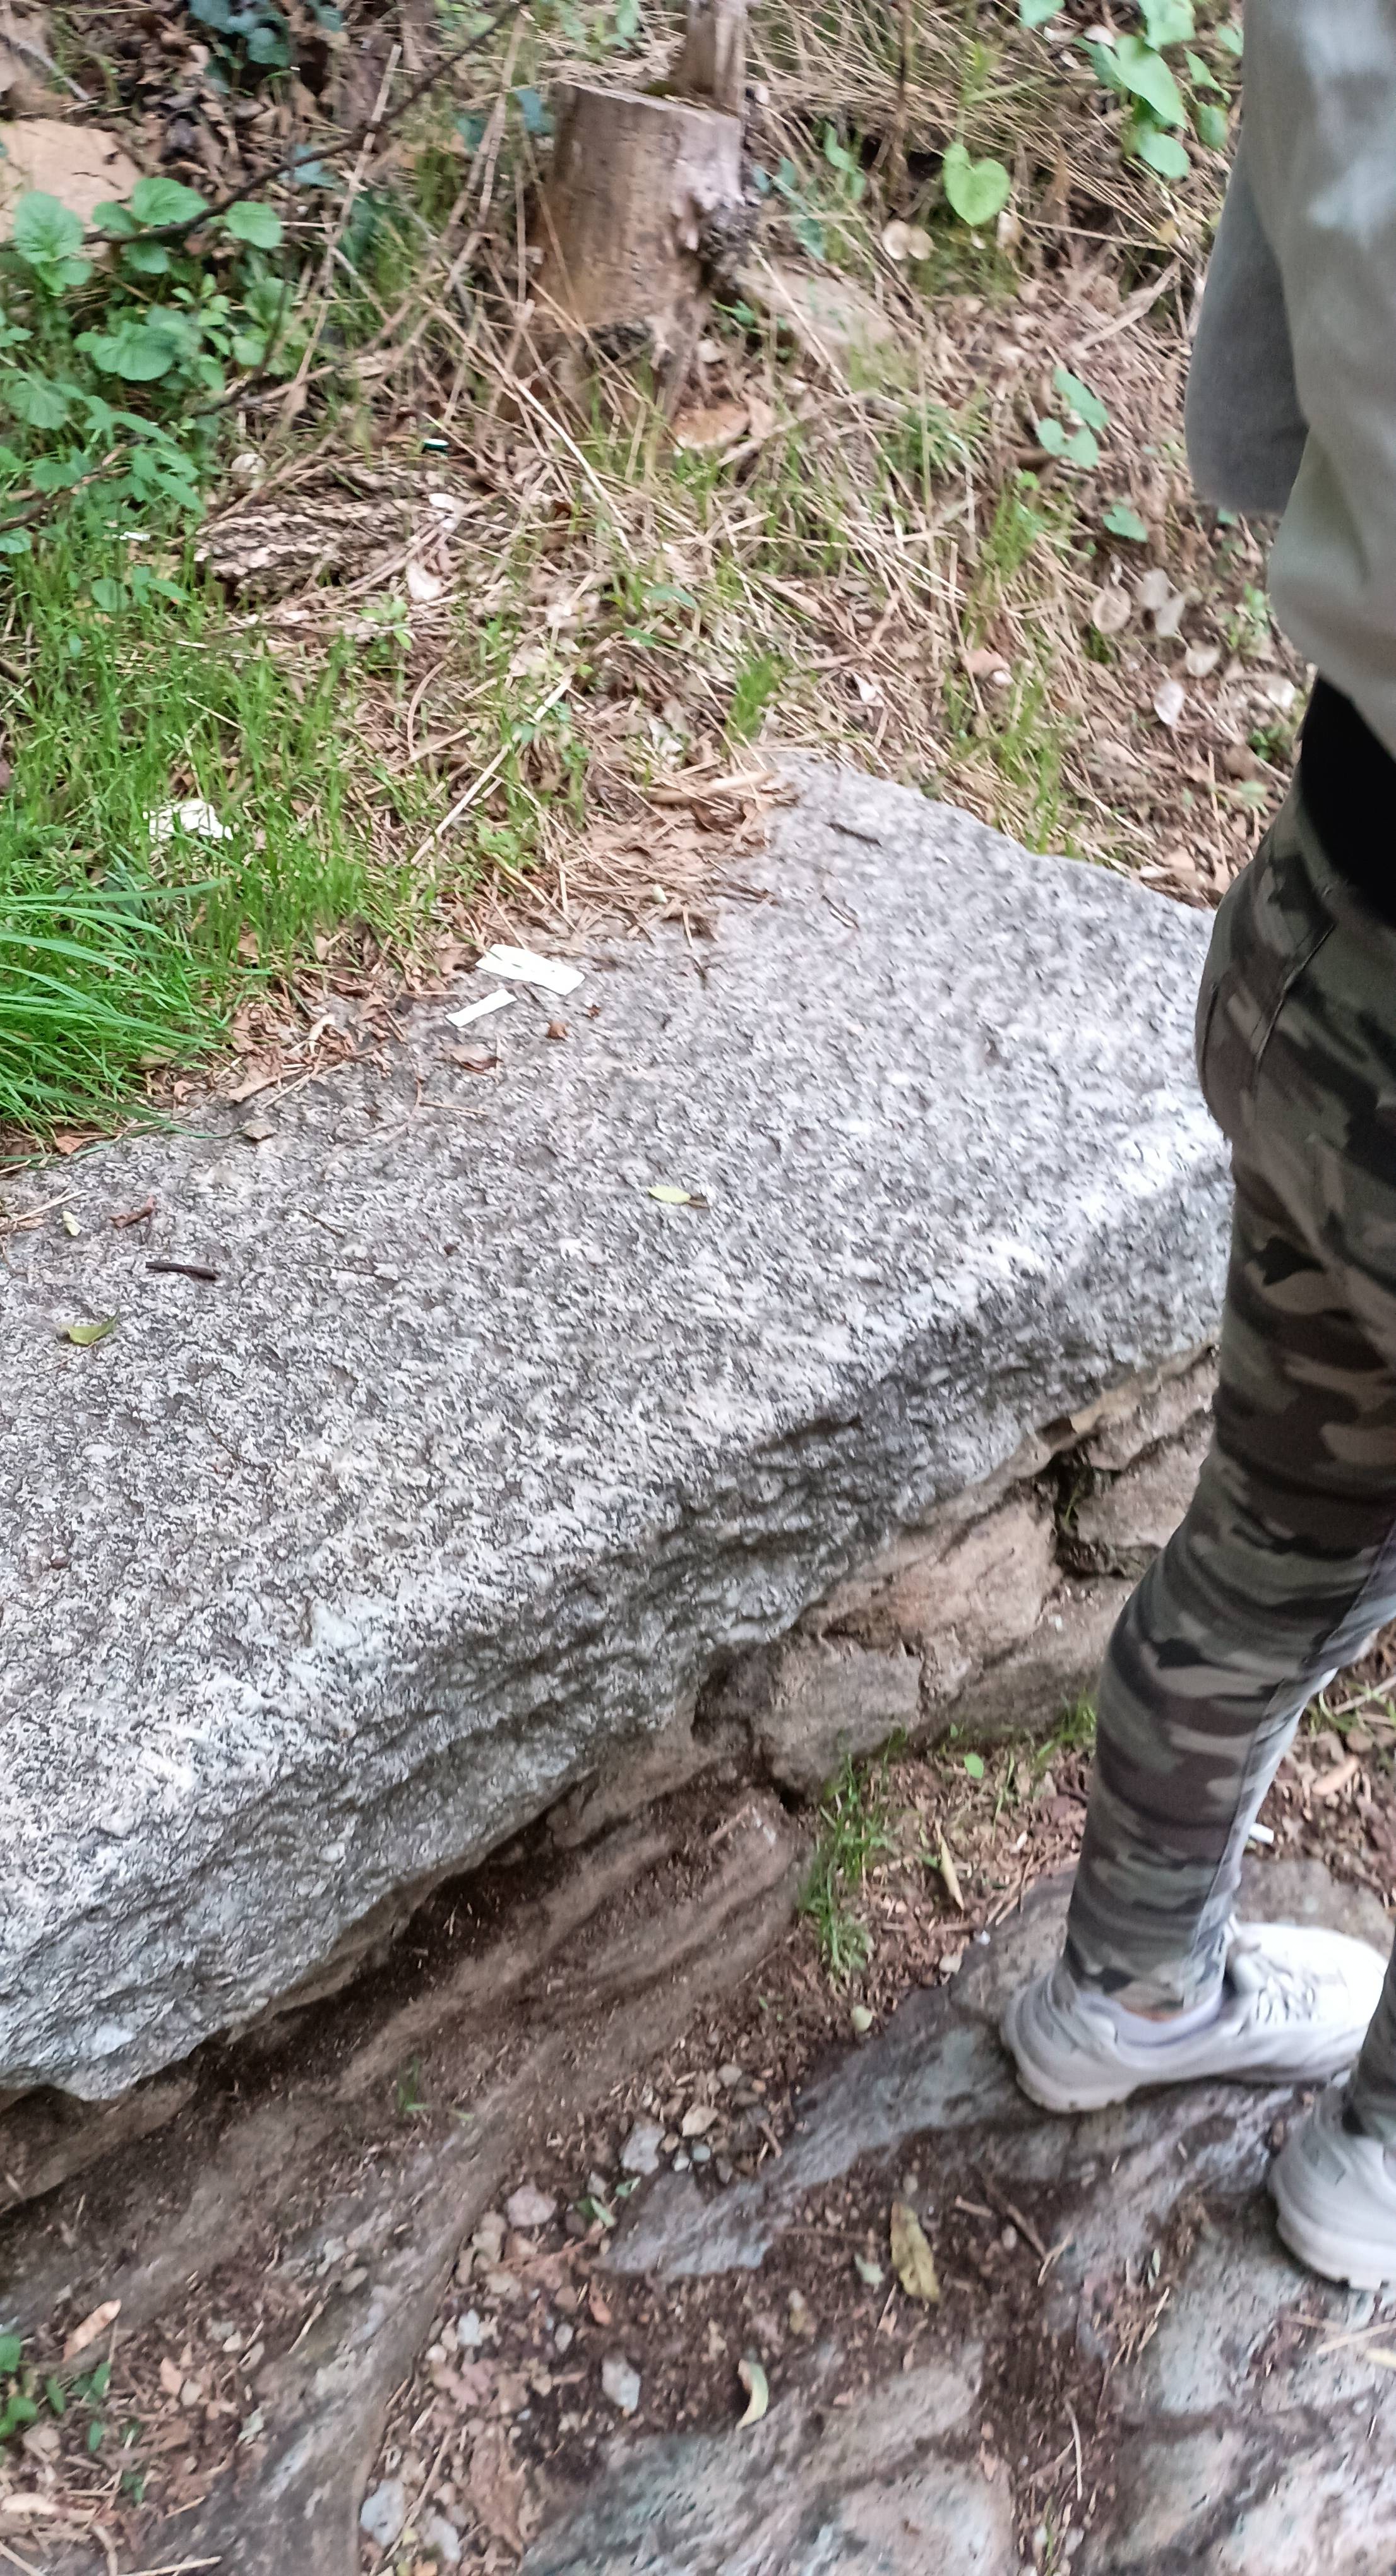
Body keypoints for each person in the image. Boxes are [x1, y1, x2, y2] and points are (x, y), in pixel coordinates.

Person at [1000, 0, 1396, 2291]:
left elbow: (1244, 429)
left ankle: (1123, 1990)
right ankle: (1369, 2170)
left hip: (1335, 959)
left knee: (1271, 1530)